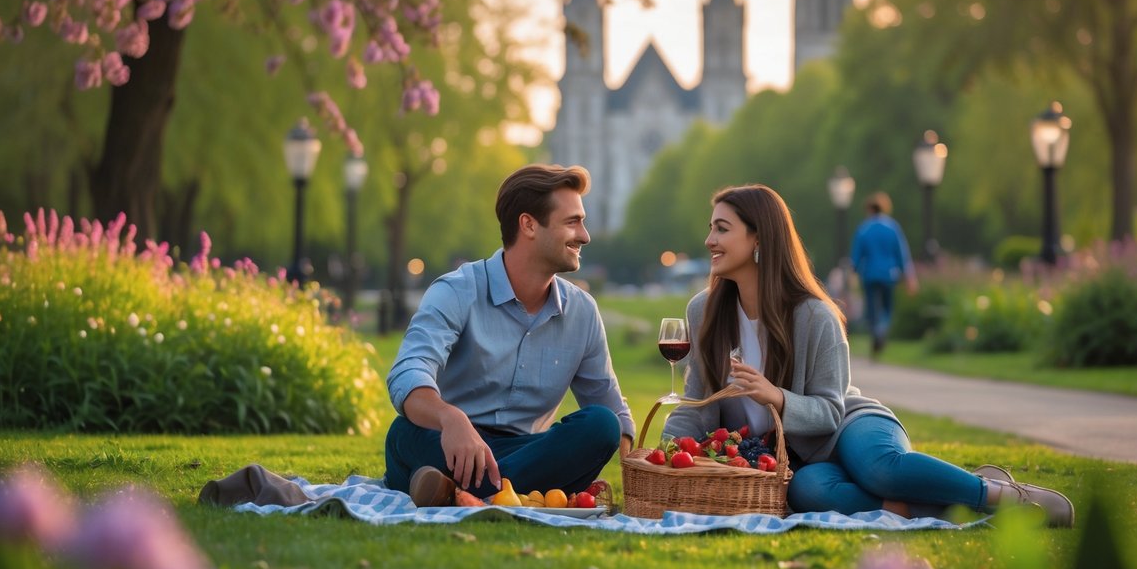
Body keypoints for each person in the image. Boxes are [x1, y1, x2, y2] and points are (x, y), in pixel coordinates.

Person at [662, 184, 1074, 526]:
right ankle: (918, 507)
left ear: (758, 239)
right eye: (711, 228)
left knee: (880, 469)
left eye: (721, 229)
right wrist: (660, 452)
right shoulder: (704, 311)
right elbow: (697, 400)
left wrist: (777, 396)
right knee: (806, 491)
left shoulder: (814, 315)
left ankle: (1001, 495)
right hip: (801, 457)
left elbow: (828, 410)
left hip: (847, 424)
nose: (709, 241)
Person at [384, 164, 634, 506]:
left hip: (528, 449)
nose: (585, 235)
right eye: (572, 221)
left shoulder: (583, 312)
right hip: (447, 443)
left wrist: (640, 469)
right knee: (404, 435)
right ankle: (503, 493)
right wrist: (450, 418)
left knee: (601, 425)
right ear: (529, 224)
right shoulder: (457, 291)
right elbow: (408, 372)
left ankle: (457, 494)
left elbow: (609, 408)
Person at [850, 191, 917, 356]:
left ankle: (875, 331)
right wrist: (908, 277)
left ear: (869, 209)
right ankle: (882, 328)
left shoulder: (864, 229)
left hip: (870, 274)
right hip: (889, 274)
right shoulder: (893, 227)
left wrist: (853, 274)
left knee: (872, 309)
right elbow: (902, 254)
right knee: (887, 308)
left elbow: (856, 257)